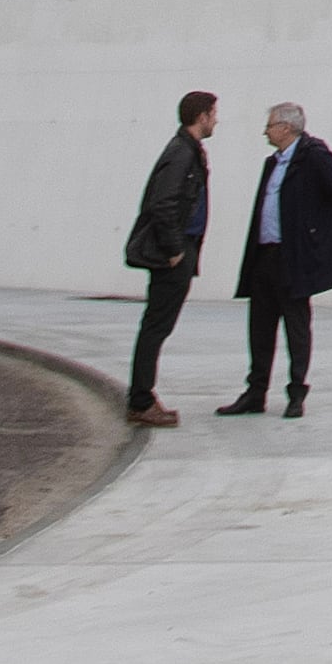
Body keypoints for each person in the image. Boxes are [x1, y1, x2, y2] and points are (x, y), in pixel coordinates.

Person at [220, 99, 332, 419]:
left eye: (268, 125)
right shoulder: (273, 161)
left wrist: (317, 232)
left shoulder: (314, 155)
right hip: (265, 255)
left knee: (296, 327)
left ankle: (296, 393)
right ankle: (256, 392)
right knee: (260, 326)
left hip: (294, 257)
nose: (265, 132)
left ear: (285, 127)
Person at [121, 88, 215, 428]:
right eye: (213, 114)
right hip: (174, 252)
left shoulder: (187, 150)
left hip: (181, 249)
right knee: (156, 326)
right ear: (201, 116)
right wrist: (176, 250)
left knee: (157, 326)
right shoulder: (181, 153)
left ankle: (143, 397)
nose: (217, 120)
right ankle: (141, 401)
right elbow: (164, 203)